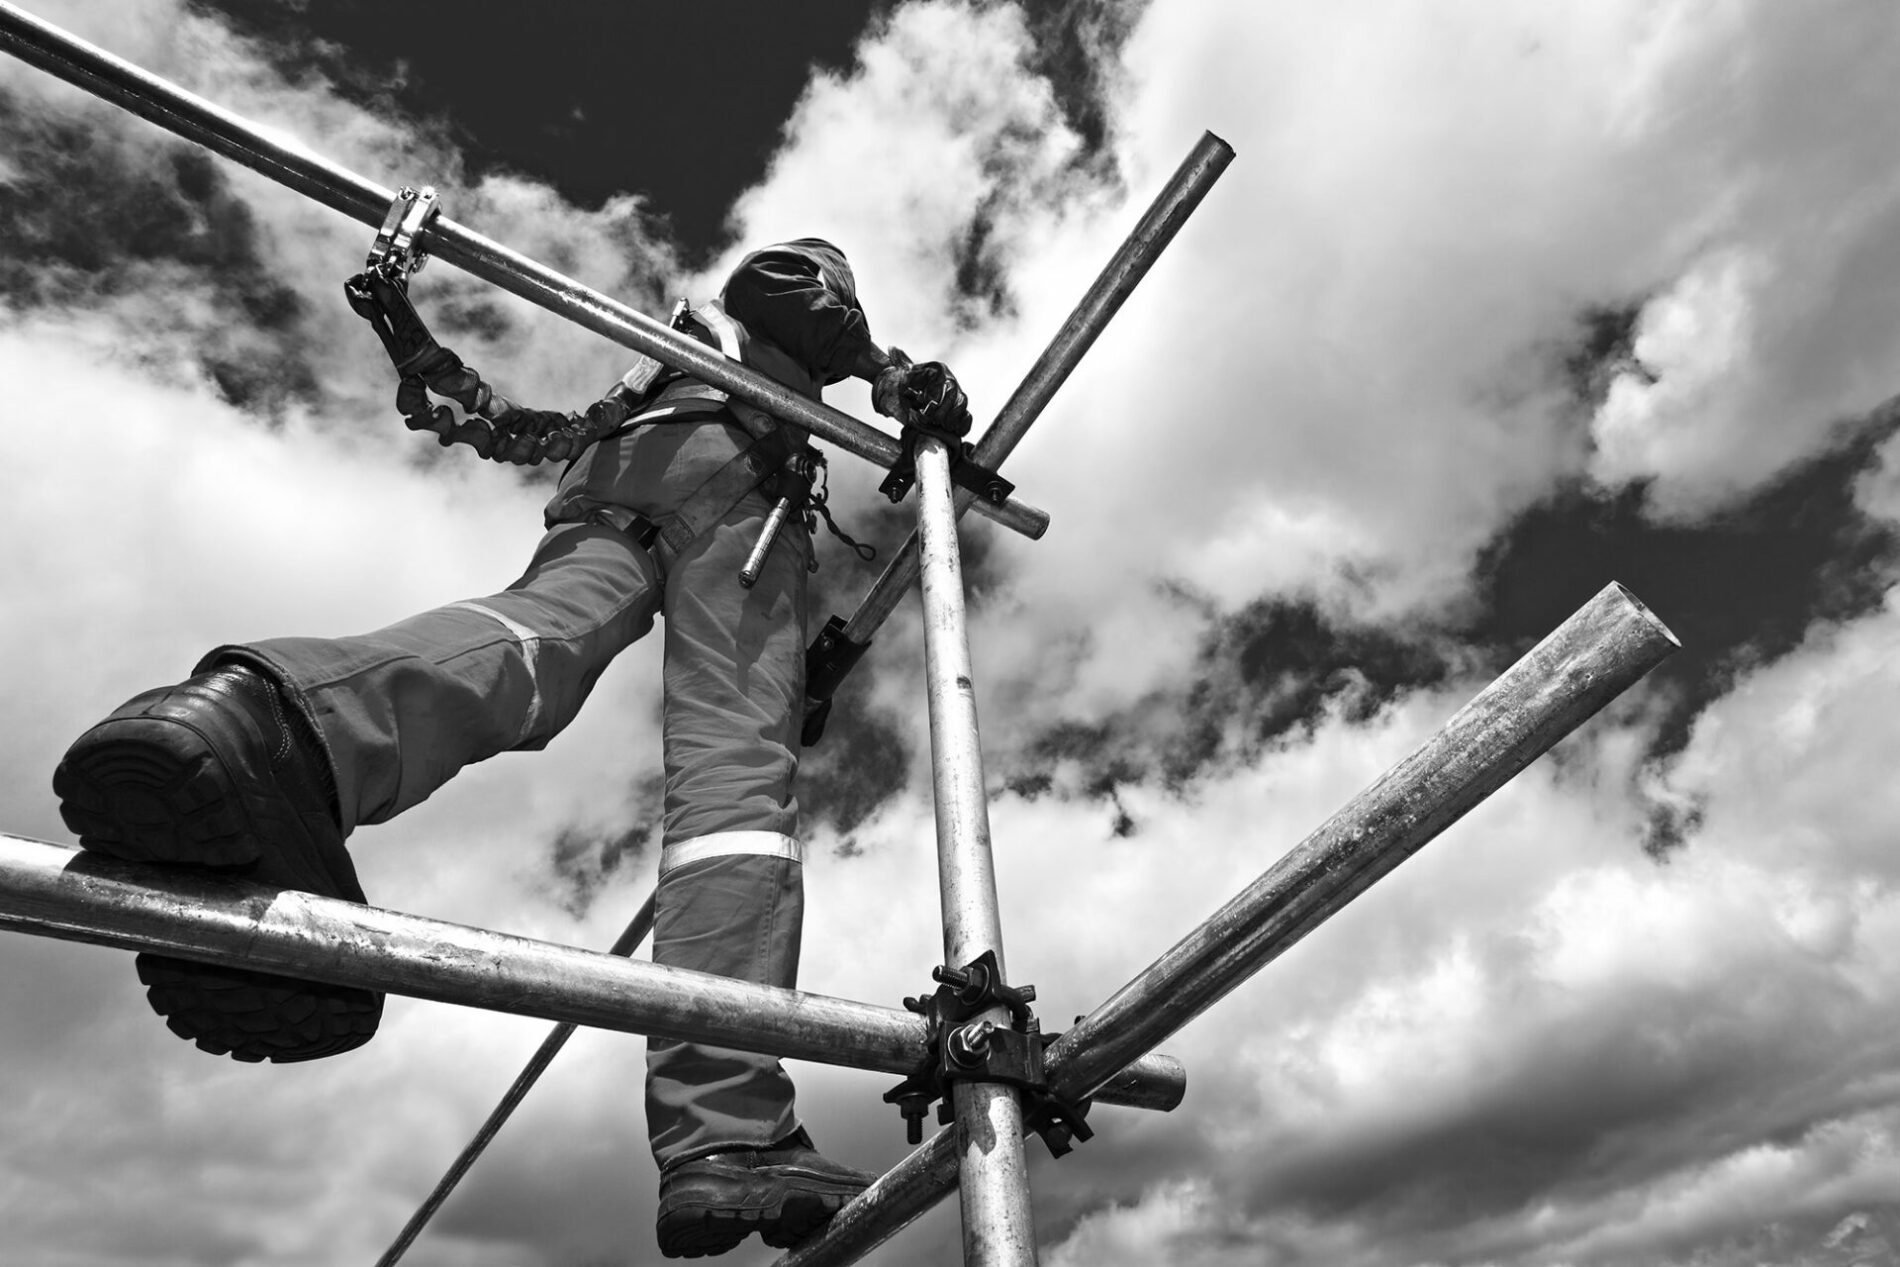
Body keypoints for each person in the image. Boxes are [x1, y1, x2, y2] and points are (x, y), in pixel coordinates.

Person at [51, 237, 970, 1258]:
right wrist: (894, 375)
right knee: (732, 792)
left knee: (537, 648)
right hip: (734, 484)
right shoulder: (779, 306)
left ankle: (284, 727)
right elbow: (788, 287)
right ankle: (726, 1127)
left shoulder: (668, 355)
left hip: (621, 479)